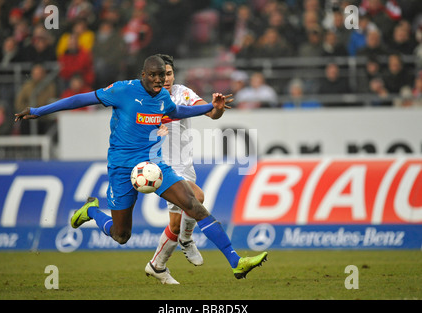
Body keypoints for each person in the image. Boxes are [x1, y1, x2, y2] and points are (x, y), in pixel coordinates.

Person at [15, 55, 268, 281]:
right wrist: (39, 110)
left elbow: (178, 111)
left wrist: (210, 107)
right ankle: (92, 211)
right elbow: (82, 99)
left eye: (163, 75)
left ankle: (236, 262)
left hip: (154, 165)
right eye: (155, 75)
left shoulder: (163, 97)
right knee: (121, 235)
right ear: (144, 75)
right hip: (122, 167)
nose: (159, 80)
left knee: (194, 205)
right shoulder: (122, 90)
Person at [145, 54, 231, 284]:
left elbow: (212, 113)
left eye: (169, 73)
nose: (166, 78)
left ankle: (157, 265)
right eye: (161, 74)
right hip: (163, 166)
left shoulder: (183, 93)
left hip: (186, 166)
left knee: (174, 224)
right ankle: (186, 239)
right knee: (197, 197)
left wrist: (218, 108)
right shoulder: (144, 97)